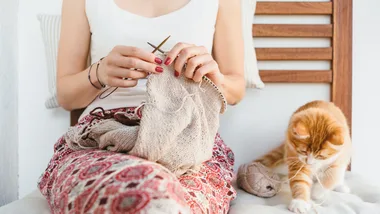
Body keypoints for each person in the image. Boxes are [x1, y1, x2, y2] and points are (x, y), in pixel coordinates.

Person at [38, 0, 245, 213]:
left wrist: (214, 77)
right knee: (143, 191)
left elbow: (236, 90)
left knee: (166, 198)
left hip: (187, 136)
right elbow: (66, 97)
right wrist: (99, 73)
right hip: (102, 134)